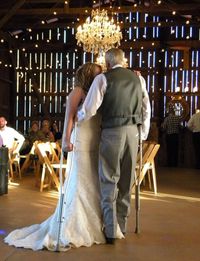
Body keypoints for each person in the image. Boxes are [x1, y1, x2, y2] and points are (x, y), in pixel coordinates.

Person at [4, 62, 123, 251]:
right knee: (80, 181)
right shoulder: (77, 91)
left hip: (95, 141)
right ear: (87, 75)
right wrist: (66, 139)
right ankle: (76, 225)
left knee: (94, 181)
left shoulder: (99, 92)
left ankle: (98, 223)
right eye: (97, 73)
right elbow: (69, 117)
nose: (101, 76)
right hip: (81, 140)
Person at [78, 48, 151, 244]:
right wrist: (142, 133)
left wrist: (78, 118)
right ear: (124, 61)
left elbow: (90, 108)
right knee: (126, 180)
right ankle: (123, 226)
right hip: (133, 133)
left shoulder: (103, 79)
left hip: (112, 131)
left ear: (108, 63)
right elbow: (146, 108)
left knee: (109, 178)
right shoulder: (139, 80)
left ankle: (111, 231)